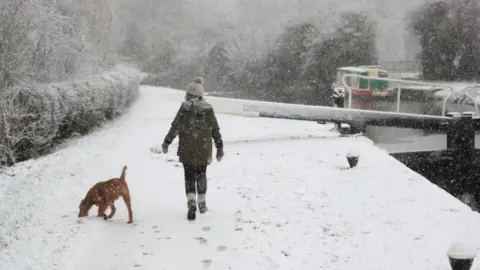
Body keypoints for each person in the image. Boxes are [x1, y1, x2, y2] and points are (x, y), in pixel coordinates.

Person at [161, 77, 224, 220]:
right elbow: (215, 129)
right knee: (201, 173)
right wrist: (219, 147)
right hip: (203, 147)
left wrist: (167, 142)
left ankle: (191, 203)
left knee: (189, 175)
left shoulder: (185, 108)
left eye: (187, 94)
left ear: (192, 95)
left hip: (187, 147)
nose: (185, 96)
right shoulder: (208, 109)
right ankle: (202, 202)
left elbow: (175, 127)